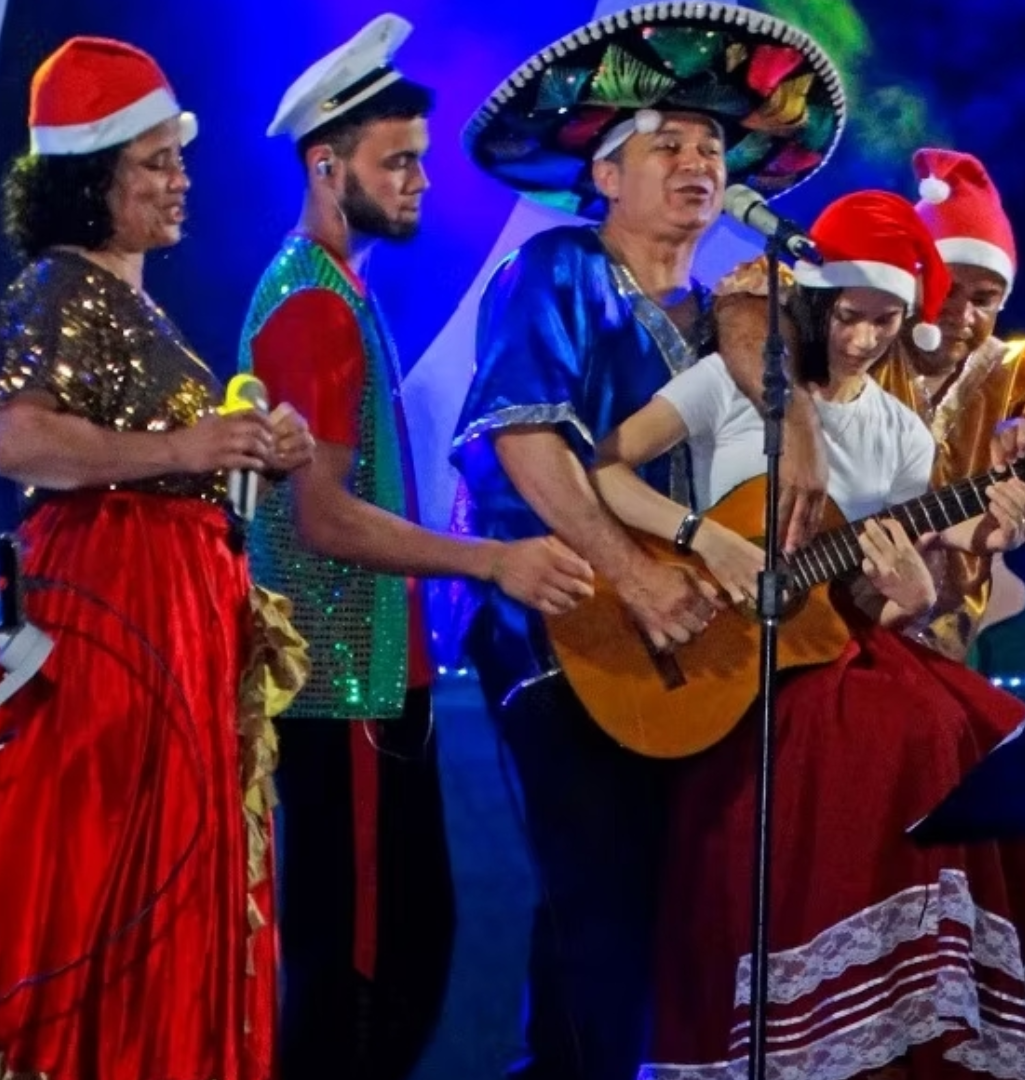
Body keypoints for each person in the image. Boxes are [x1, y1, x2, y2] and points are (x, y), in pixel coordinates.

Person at [584, 191, 1025, 1079]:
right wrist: (700, 537)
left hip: (829, 644)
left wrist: (983, 537)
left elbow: (913, 566)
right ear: (816, 304)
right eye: (849, 316)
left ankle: (915, 1018)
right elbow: (604, 469)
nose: (864, 340)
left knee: (1000, 736)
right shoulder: (735, 386)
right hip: (725, 655)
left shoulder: (899, 431)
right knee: (910, 732)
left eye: (887, 321)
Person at [451, 7, 846, 1078]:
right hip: (563, 625)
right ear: (605, 176)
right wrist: (632, 574)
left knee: (666, 917)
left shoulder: (730, 313)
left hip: (693, 652)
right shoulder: (559, 270)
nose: (698, 162)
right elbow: (522, 442)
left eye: (711, 146)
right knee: (602, 910)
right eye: (666, 143)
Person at [238, 15, 594, 1080]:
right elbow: (323, 517)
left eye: (420, 160)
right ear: (326, 165)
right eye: (397, 162)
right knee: (361, 975)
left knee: (402, 956)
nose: (421, 182)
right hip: (339, 690)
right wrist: (492, 562)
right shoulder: (311, 305)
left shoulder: (340, 289)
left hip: (376, 685)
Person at [0, 37, 314, 1080]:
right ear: (92, 180)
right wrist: (186, 449)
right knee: (113, 861)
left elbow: (168, 456)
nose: (181, 180)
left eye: (179, 160)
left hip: (173, 606)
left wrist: (254, 451)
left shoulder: (131, 302)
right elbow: (17, 438)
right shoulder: (59, 285)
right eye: (154, 163)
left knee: (171, 856)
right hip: (114, 609)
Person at [716, 147, 1025, 660]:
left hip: (934, 638)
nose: (961, 315)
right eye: (946, 290)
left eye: (984, 299)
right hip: (792, 614)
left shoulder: (1013, 371)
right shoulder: (857, 328)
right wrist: (798, 421)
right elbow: (747, 305)